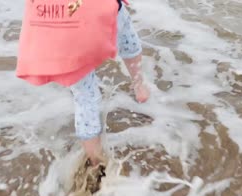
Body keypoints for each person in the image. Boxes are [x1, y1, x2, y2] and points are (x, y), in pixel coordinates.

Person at [17, 0, 149, 166]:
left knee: (85, 99)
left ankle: (96, 161)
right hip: (93, 18)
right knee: (128, 40)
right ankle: (138, 83)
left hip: (59, 34)